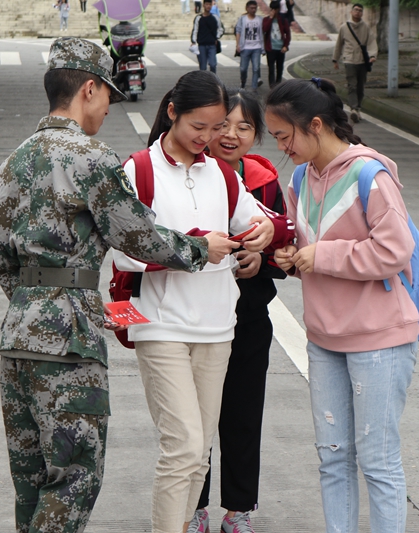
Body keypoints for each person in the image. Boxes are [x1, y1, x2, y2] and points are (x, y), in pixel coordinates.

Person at [0, 37, 236, 533]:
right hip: (70, 336)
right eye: (108, 98)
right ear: (90, 90)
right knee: (74, 477)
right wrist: (201, 250)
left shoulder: (14, 160)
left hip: (18, 334)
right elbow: (138, 236)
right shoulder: (91, 158)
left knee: (31, 480)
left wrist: (31, 300)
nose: (107, 111)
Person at [111, 71, 294, 533]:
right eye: (200, 127)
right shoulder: (139, 170)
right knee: (185, 447)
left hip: (218, 328)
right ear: (172, 112)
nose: (211, 138)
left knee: (199, 452)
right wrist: (196, 246)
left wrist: (267, 232)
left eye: (217, 128)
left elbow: (268, 221)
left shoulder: (223, 175)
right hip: (161, 326)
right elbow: (121, 250)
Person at [267, 77, 419, 533]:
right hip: (324, 336)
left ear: (316, 125)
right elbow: (306, 244)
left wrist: (322, 256)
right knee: (333, 458)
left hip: (378, 337)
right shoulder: (300, 177)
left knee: (377, 460)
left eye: (284, 135)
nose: (281, 147)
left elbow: (395, 251)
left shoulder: (370, 174)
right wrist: (292, 259)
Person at [188, 89, 288, 533]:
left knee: (244, 415)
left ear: (256, 135)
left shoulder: (264, 181)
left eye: (244, 127)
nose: (231, 135)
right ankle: (195, 506)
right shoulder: (187, 175)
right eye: (222, 125)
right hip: (197, 316)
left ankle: (239, 509)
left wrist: (259, 260)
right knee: (195, 419)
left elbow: (283, 241)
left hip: (248, 318)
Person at [332, 3, 377, 123]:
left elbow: (372, 42)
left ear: (362, 13)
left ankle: (358, 108)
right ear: (351, 12)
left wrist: (372, 55)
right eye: (356, 10)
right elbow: (339, 44)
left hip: (362, 60)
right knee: (352, 85)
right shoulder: (344, 27)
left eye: (360, 10)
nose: (358, 12)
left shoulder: (365, 27)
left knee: (360, 87)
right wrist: (335, 59)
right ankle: (353, 109)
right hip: (349, 60)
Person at [235, 1, 263, 90]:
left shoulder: (260, 19)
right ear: (247, 8)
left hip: (257, 47)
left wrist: (263, 47)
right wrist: (237, 45)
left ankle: (254, 89)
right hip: (245, 47)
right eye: (251, 8)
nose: (253, 10)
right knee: (243, 68)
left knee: (256, 68)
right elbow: (238, 31)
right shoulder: (243, 19)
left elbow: (263, 33)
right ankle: (243, 82)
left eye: (255, 8)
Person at [262, 1, 290, 88]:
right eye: (272, 9)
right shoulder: (266, 20)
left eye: (275, 9)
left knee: (279, 68)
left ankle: (278, 84)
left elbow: (288, 34)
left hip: (280, 48)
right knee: (271, 68)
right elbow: (264, 29)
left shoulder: (283, 20)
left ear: (278, 9)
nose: (274, 11)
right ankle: (272, 85)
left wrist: (285, 46)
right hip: (270, 48)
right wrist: (270, 18)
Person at [191, 0, 223, 74]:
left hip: (212, 44)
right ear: (203, 5)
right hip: (201, 45)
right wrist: (193, 41)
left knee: (213, 64)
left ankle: (213, 80)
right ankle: (203, 83)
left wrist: (216, 37)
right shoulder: (198, 18)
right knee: (203, 67)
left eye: (210, 4)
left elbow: (221, 29)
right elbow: (195, 30)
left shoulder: (215, 17)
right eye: (207, 4)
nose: (208, 6)